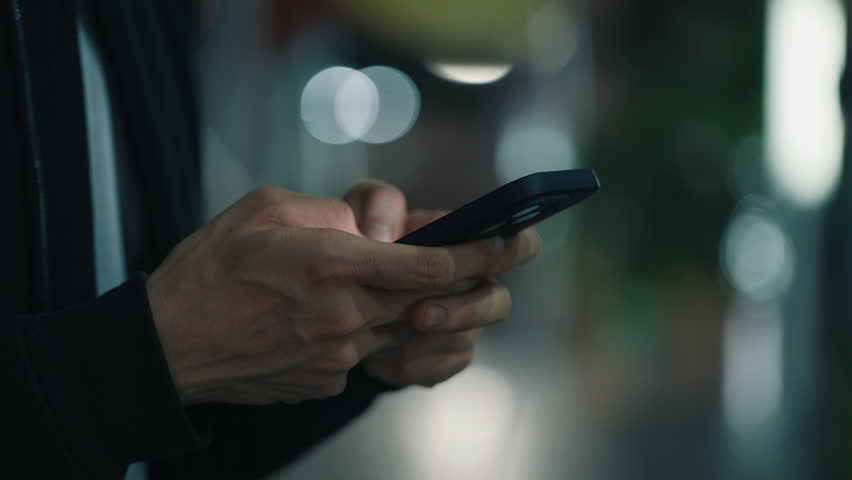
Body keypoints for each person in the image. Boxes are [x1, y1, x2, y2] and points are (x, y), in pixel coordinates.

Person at [1, 1, 540, 478]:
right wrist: (158, 355)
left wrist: (351, 340)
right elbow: (143, 370)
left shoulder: (147, 16)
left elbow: (164, 453)